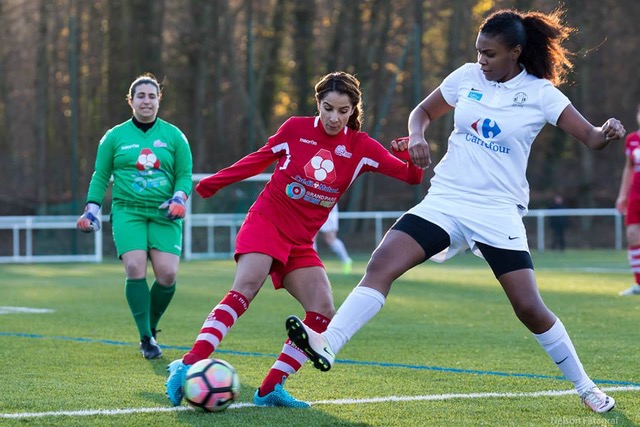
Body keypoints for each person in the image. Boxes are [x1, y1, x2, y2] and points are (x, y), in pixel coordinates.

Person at [286, 9, 624, 414]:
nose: (481, 60)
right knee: (381, 263)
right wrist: (416, 137)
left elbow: (590, 137)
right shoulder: (466, 77)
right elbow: (421, 113)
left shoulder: (541, 94)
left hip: (497, 211)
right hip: (446, 199)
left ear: (516, 52)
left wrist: (607, 132)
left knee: (529, 308)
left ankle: (586, 388)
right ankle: (329, 343)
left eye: (490, 54)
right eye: (478, 52)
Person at [164, 71, 423, 408]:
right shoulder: (295, 129)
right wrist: (213, 183)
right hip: (267, 221)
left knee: (322, 310)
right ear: (317, 103)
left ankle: (270, 388)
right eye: (327, 108)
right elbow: (258, 158)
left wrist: (411, 153)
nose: (333, 117)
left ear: (353, 110)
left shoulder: (361, 148)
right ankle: (185, 365)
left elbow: (411, 177)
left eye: (342, 111)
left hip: (301, 241)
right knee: (247, 286)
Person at [77, 73, 193, 360]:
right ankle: (146, 338)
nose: (146, 101)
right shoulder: (114, 137)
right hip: (128, 210)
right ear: (131, 101)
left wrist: (180, 198)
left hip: (164, 212)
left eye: (152, 96)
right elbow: (101, 175)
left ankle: (151, 327)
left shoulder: (174, 136)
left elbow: (184, 175)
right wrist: (92, 209)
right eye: (140, 96)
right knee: (135, 268)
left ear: (158, 100)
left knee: (167, 274)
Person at [616, 104, 640, 296]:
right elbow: (629, 168)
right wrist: (622, 195)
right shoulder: (632, 140)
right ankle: (639, 284)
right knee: (632, 235)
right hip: (635, 195)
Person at [315, 204, 353, 274]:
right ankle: (312, 264)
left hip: (327, 206)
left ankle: (346, 260)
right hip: (312, 207)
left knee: (330, 240)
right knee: (311, 238)